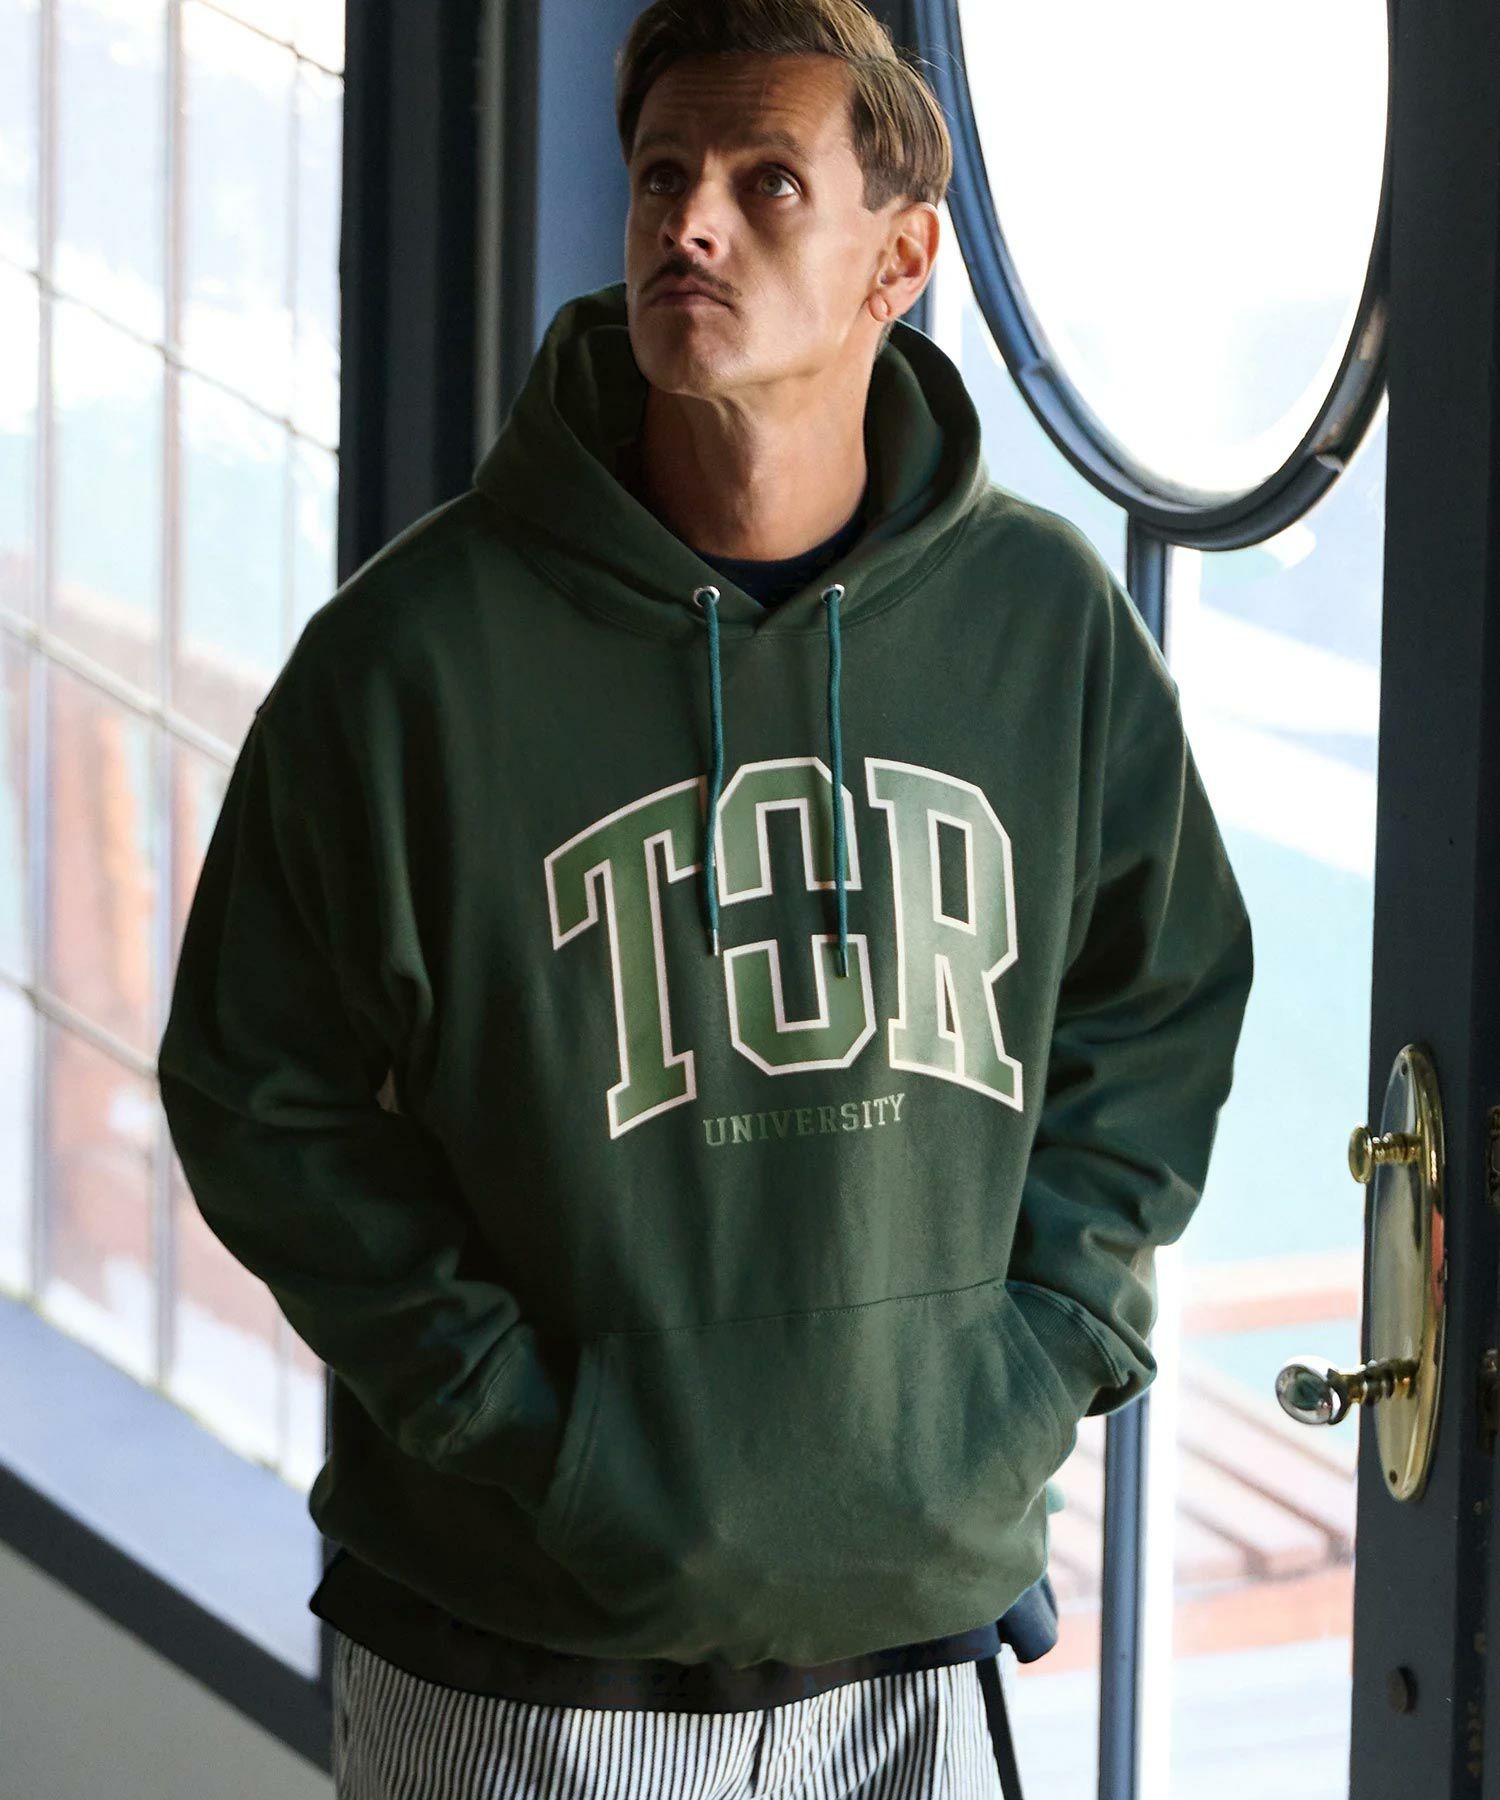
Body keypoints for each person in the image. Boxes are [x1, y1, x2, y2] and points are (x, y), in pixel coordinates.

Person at [156, 1, 1254, 1795]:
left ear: (900, 257)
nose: (690, 223)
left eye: (766, 182)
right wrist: (519, 1421)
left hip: (913, 1636)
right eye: (662, 175)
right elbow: (257, 1093)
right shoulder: (410, 663)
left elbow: (1160, 1013)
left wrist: (1035, 1362)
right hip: (514, 1654)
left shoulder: (1046, 632)